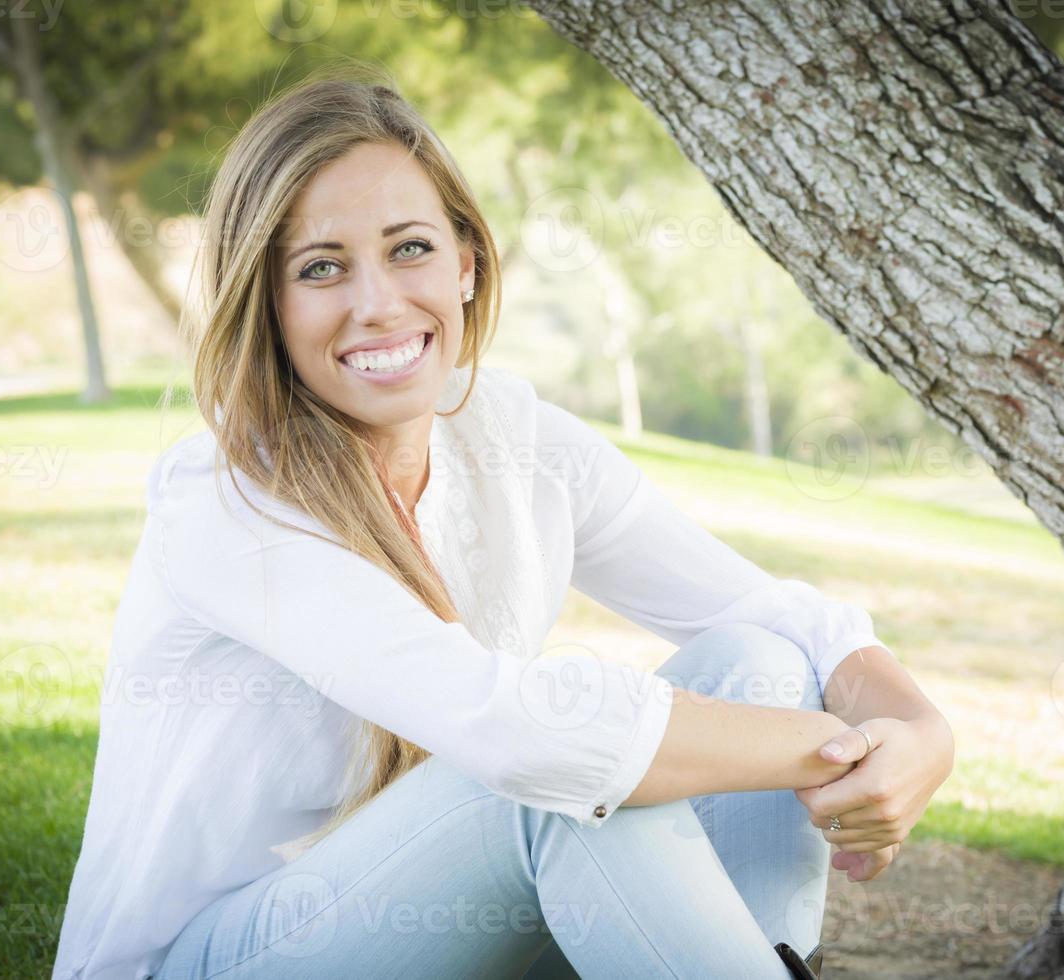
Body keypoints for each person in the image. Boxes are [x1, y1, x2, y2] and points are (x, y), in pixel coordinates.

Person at [50, 68, 954, 980]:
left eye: (410, 249)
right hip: (215, 960)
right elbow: (519, 731)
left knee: (758, 663)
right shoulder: (225, 499)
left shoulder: (510, 436)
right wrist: (843, 757)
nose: (379, 303)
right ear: (270, 306)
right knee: (550, 784)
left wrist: (917, 732)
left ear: (467, 262)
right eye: (321, 268)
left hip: (433, 928)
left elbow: (772, 613)